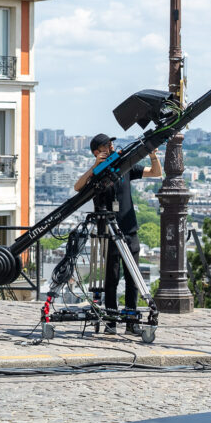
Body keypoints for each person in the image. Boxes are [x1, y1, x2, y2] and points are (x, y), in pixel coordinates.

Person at [74, 133, 161, 335]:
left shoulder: (125, 166)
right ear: (97, 152)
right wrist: (95, 166)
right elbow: (78, 187)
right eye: (106, 146)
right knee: (111, 278)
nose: (111, 147)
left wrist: (153, 156)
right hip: (108, 231)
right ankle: (111, 321)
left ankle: (131, 321)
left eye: (111, 144)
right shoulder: (96, 173)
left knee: (133, 277)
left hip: (129, 229)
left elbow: (155, 173)